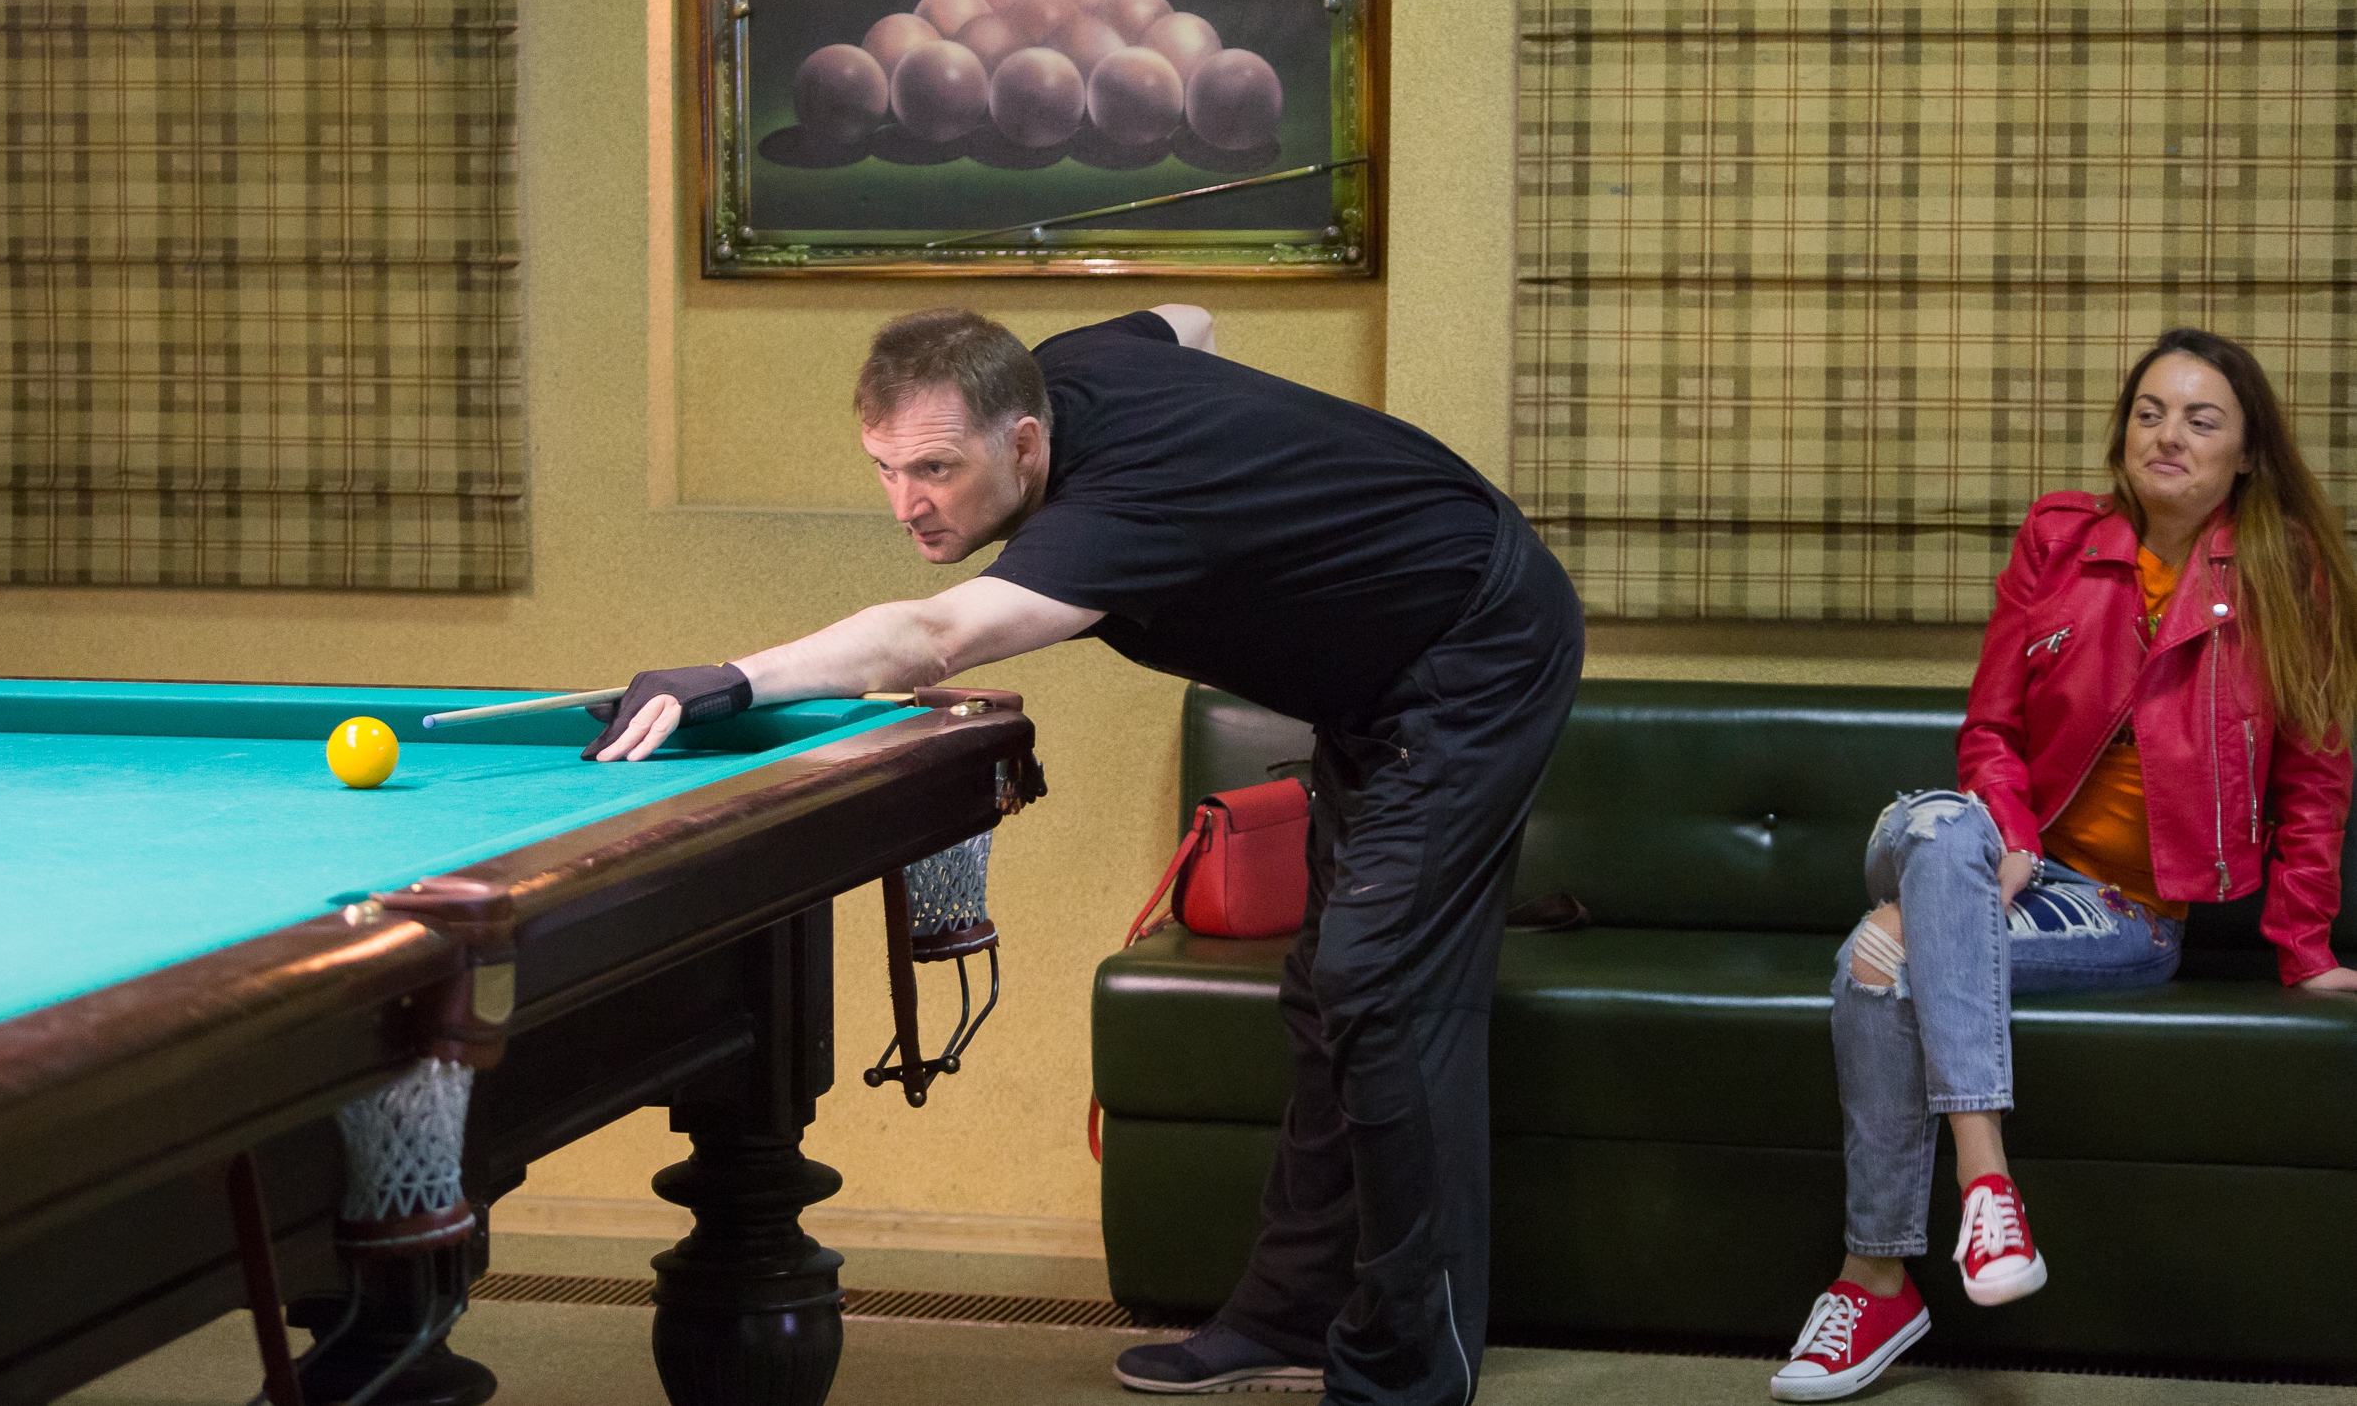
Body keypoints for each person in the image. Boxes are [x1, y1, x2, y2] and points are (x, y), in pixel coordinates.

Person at [588, 306, 1584, 1403]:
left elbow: (932, 638)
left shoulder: (1119, 507)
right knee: (1327, 993)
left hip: (1477, 644)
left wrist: (728, 677)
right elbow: (1188, 323)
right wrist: (1239, 464)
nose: (906, 503)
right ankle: (1293, 1315)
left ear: (1023, 441)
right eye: (884, 467)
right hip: (1376, 670)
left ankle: (1409, 1370)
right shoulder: (1063, 368)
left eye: (935, 468)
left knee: (1379, 987)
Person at [1770, 329, 2357, 1403]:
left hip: (2124, 913)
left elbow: (2315, 776)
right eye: (2149, 412)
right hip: (2010, 864)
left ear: (2245, 454)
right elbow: (1991, 728)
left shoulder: (2287, 576)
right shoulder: (2059, 540)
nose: (2167, 434)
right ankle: (1985, 1184)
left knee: (1873, 959)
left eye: (2200, 419)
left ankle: (1874, 1280)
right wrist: (2013, 836)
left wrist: (2304, 946)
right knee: (1941, 822)